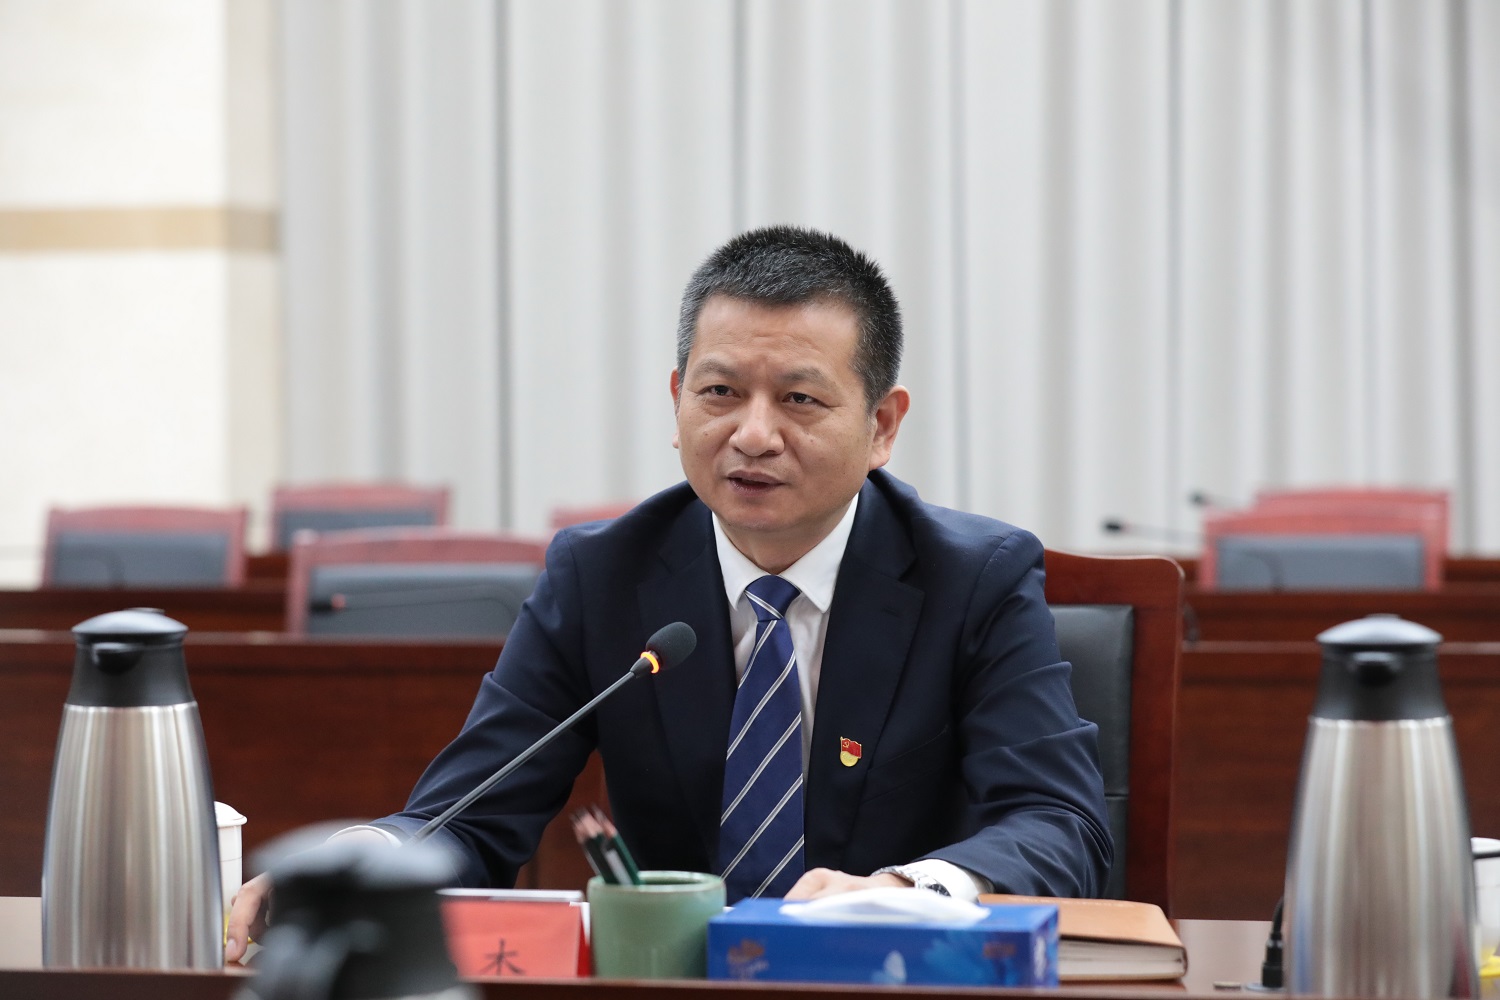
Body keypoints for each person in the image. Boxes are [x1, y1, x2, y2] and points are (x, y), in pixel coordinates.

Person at [227, 225, 1110, 962]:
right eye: (720, 392)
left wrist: (904, 890)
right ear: (678, 398)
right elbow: (473, 812)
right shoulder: (603, 575)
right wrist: (362, 861)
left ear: (881, 425)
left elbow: (1059, 822)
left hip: (890, 982)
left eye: (800, 400)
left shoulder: (973, 579)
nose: (752, 434)